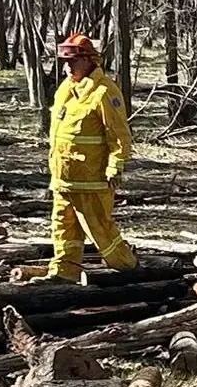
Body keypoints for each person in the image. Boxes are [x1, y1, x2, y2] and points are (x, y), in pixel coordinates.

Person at [44, 32, 137, 279]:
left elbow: (119, 134)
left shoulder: (104, 91)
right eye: (64, 61)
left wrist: (115, 167)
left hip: (91, 180)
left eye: (72, 61)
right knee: (63, 228)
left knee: (100, 230)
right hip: (64, 179)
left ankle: (128, 269)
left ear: (88, 60)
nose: (66, 67)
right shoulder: (65, 89)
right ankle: (63, 273)